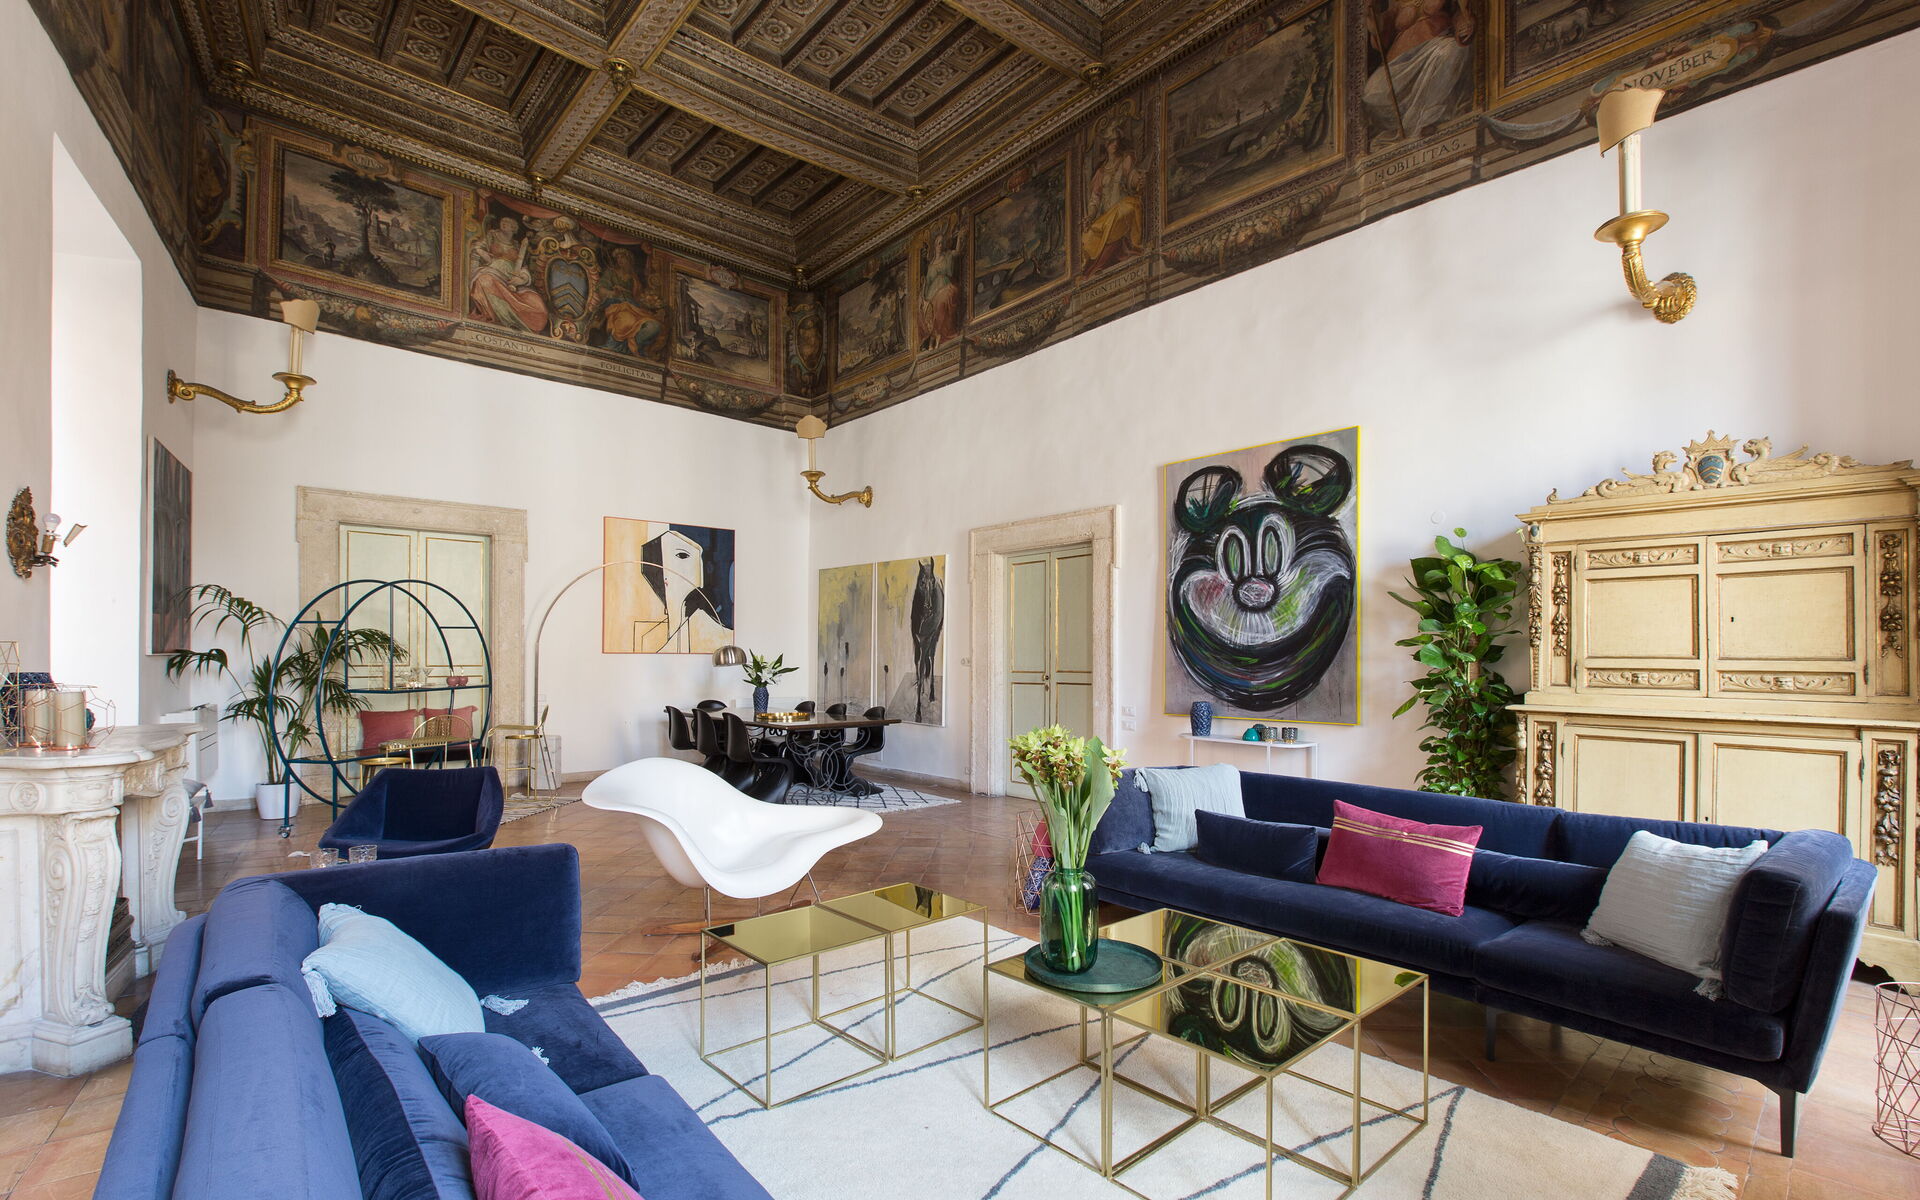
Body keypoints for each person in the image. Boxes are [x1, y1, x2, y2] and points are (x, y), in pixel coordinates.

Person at [1362, 0, 1475, 140]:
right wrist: (1371, 15)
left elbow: (1461, 13)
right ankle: (1406, 124)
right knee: (1372, 93)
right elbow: (1381, 36)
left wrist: (1464, 24)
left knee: (1453, 51)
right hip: (1399, 64)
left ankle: (1427, 118)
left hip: (1436, 49)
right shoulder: (1397, 3)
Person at [1081, 120, 1146, 275]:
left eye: (1117, 140)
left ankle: (1099, 265)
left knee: (1116, 218)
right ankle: (1095, 268)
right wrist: (1090, 216)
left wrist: (1138, 180)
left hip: (1126, 205)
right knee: (1088, 236)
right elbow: (1095, 198)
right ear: (1106, 144)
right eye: (1111, 141)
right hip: (1107, 214)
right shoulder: (1101, 172)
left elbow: (1131, 177)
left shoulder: (1126, 160)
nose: (1115, 144)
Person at [467, 216, 548, 332]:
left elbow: (523, 266)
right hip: (493, 271)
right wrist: (482, 253)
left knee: (536, 303)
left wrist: (524, 279)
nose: (503, 223)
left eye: (507, 222)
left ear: (514, 228)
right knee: (485, 280)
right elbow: (476, 247)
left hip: (513, 279)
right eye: (503, 221)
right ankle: (500, 319)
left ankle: (517, 323)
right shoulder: (492, 236)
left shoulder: (517, 245)